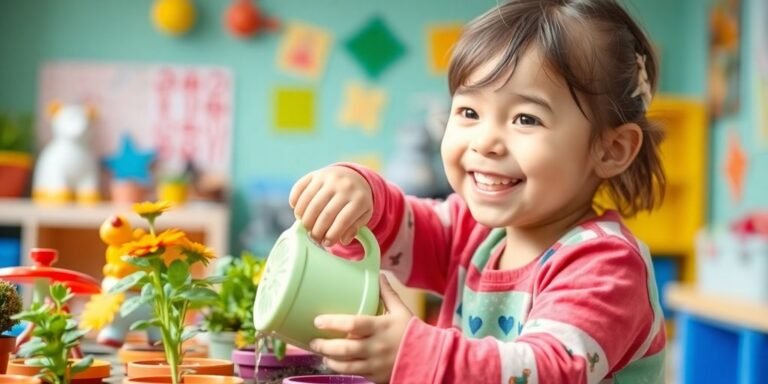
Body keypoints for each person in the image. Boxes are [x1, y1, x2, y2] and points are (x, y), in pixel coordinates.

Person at [289, 0, 667, 382]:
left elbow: (547, 370)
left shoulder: (606, 263)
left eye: (526, 118)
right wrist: (359, 197)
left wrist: (422, 355)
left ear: (611, 149)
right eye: (469, 112)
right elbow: (398, 226)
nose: (485, 142)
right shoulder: (472, 231)